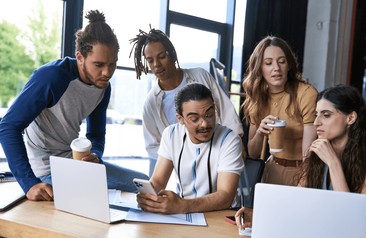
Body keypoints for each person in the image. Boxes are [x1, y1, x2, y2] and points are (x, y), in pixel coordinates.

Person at [0, 10, 149, 201]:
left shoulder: (103, 87)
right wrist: (29, 183)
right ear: (80, 57)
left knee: (143, 184)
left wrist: (94, 154)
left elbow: (96, 135)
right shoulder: (51, 77)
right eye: (99, 64)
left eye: (113, 64)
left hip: (74, 162)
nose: (107, 72)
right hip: (45, 169)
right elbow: (8, 127)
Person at [235, 85, 366, 230]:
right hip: (327, 237)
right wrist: (260, 216)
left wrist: (333, 162)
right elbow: (297, 201)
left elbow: (355, 218)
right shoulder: (318, 149)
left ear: (350, 118)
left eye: (326, 115)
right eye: (316, 115)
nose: (316, 123)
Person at [129, 28, 244, 176]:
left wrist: (236, 139)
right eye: (150, 60)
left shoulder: (200, 76)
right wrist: (176, 164)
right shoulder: (150, 103)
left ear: (172, 54)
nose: (156, 64)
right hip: (182, 171)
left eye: (161, 56)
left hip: (218, 155)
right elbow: (153, 146)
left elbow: (226, 110)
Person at [136, 83, 244, 214]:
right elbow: (158, 181)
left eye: (209, 115)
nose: (204, 124)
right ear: (180, 119)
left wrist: (183, 206)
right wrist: (149, 197)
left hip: (219, 214)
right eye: (194, 119)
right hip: (183, 215)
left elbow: (226, 196)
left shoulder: (230, 140)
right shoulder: (171, 134)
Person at [241, 35, 318, 186]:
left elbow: (309, 154)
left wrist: (303, 183)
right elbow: (253, 153)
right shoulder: (258, 97)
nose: (276, 68)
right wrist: (260, 132)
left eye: (281, 61)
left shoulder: (306, 93)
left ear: (288, 65)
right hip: (272, 167)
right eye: (268, 63)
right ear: (260, 68)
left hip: (302, 170)